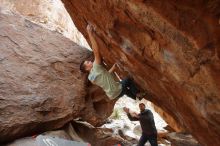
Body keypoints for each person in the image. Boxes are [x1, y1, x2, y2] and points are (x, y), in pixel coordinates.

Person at [80, 24, 146, 100]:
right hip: (117, 90)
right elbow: (96, 51)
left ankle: (135, 96)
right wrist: (90, 33)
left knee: (124, 89)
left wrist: (113, 68)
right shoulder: (96, 67)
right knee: (128, 80)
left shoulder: (91, 79)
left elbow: (104, 76)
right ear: (87, 69)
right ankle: (138, 93)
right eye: (87, 63)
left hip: (112, 95)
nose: (90, 62)